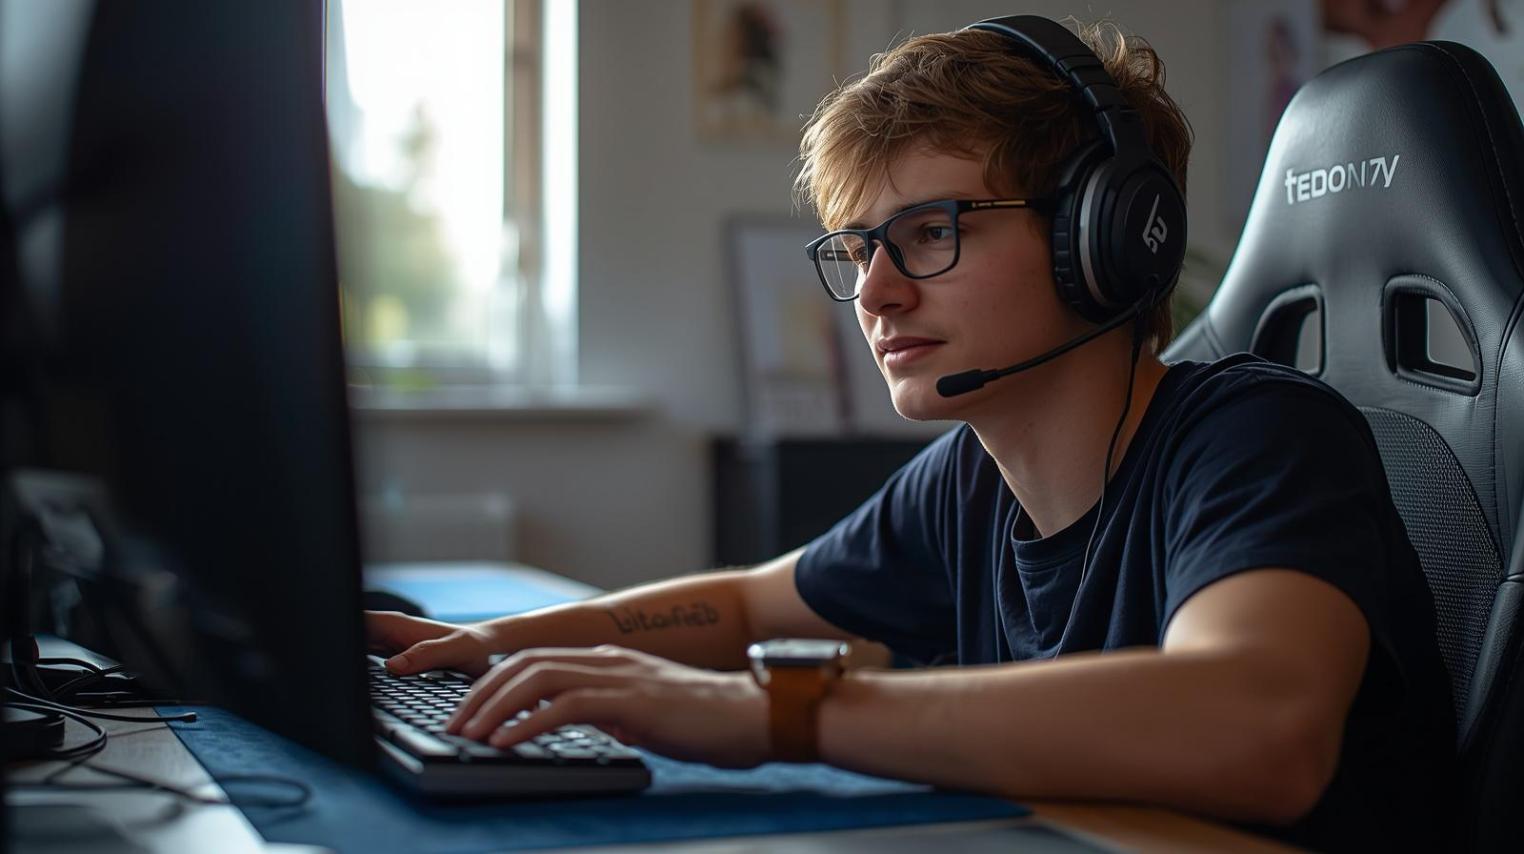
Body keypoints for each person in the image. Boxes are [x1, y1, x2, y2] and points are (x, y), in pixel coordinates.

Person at [367, 16, 1455, 850]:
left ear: (1104, 239)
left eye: (930, 231)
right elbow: (750, 603)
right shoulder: (968, 484)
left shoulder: (1256, 434)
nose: (875, 293)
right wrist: (495, 647)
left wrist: (769, 713)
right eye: (858, 250)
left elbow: (1259, 726)